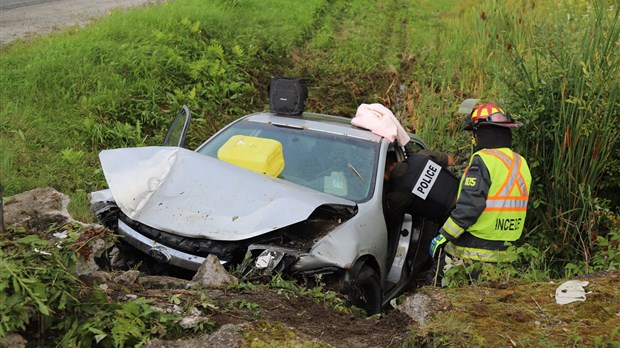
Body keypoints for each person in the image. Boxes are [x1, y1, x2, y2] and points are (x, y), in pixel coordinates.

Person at [426, 103, 532, 286]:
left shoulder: (482, 161)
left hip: (472, 251)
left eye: (474, 134)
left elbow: (469, 207)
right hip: (506, 252)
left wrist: (443, 236)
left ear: (480, 133)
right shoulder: (520, 163)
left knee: (435, 290)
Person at [383, 149, 456, 271]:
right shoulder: (422, 156)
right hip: (469, 195)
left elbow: (388, 222)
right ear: (393, 161)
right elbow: (450, 160)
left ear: (383, 175)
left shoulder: (399, 193)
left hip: (453, 220)